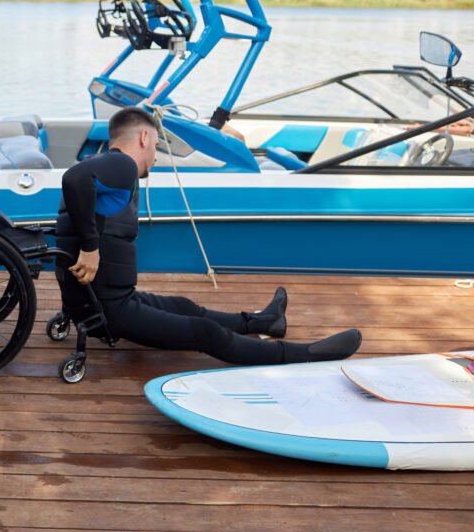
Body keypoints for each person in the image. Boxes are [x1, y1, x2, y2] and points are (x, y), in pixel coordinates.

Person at [55, 105, 362, 366]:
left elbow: (81, 185)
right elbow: (73, 178)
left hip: (99, 302)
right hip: (111, 311)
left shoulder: (102, 167)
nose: (156, 157)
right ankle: (303, 355)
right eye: (156, 145)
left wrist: (89, 244)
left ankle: (263, 322)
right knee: (205, 333)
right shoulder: (121, 163)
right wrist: (90, 248)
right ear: (144, 137)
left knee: (184, 307)